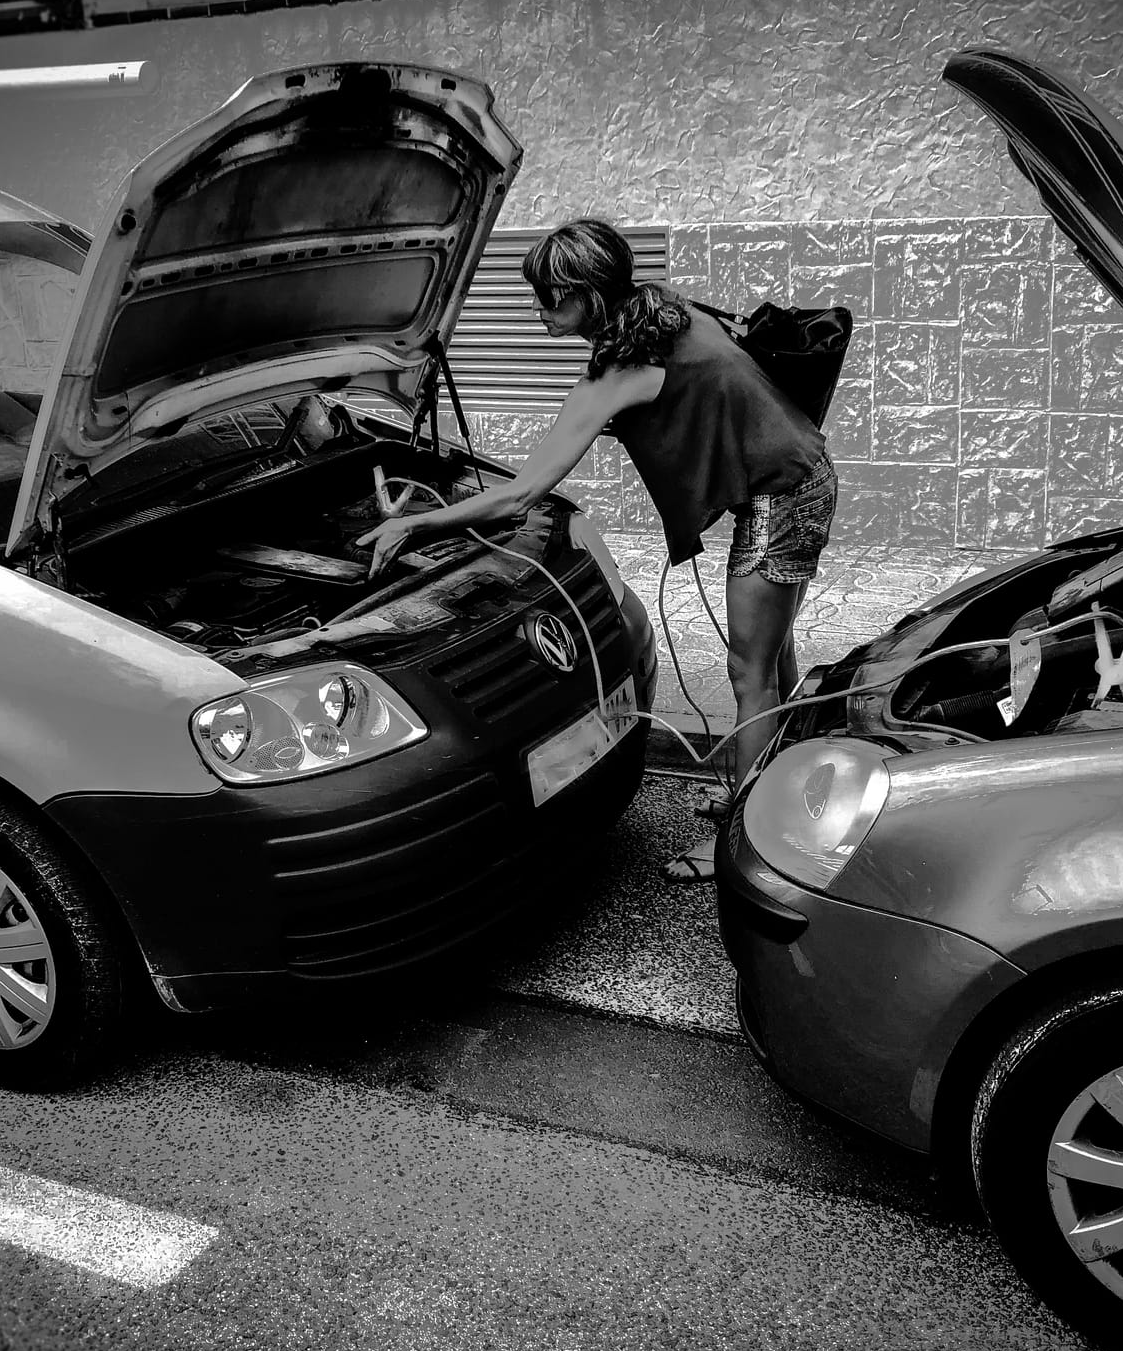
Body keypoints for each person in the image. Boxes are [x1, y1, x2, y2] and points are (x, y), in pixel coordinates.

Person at [357, 218, 837, 881]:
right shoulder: (663, 309)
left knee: (749, 673)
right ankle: (761, 796)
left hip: (785, 496)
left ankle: (746, 843)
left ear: (587, 293)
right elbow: (705, 389)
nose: (538, 310)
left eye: (549, 297)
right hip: (798, 471)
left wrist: (416, 527)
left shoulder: (622, 371)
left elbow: (518, 495)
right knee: (770, 662)